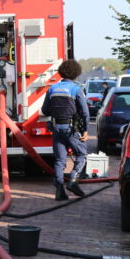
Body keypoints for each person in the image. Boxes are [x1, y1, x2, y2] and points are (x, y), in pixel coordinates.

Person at [41, 59, 89, 201]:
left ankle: (59, 190)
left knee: (59, 160)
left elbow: (45, 110)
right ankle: (73, 181)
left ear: (61, 72)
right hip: (70, 129)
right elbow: (85, 112)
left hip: (56, 128)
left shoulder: (52, 88)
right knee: (81, 154)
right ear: (76, 73)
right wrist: (85, 131)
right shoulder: (76, 89)